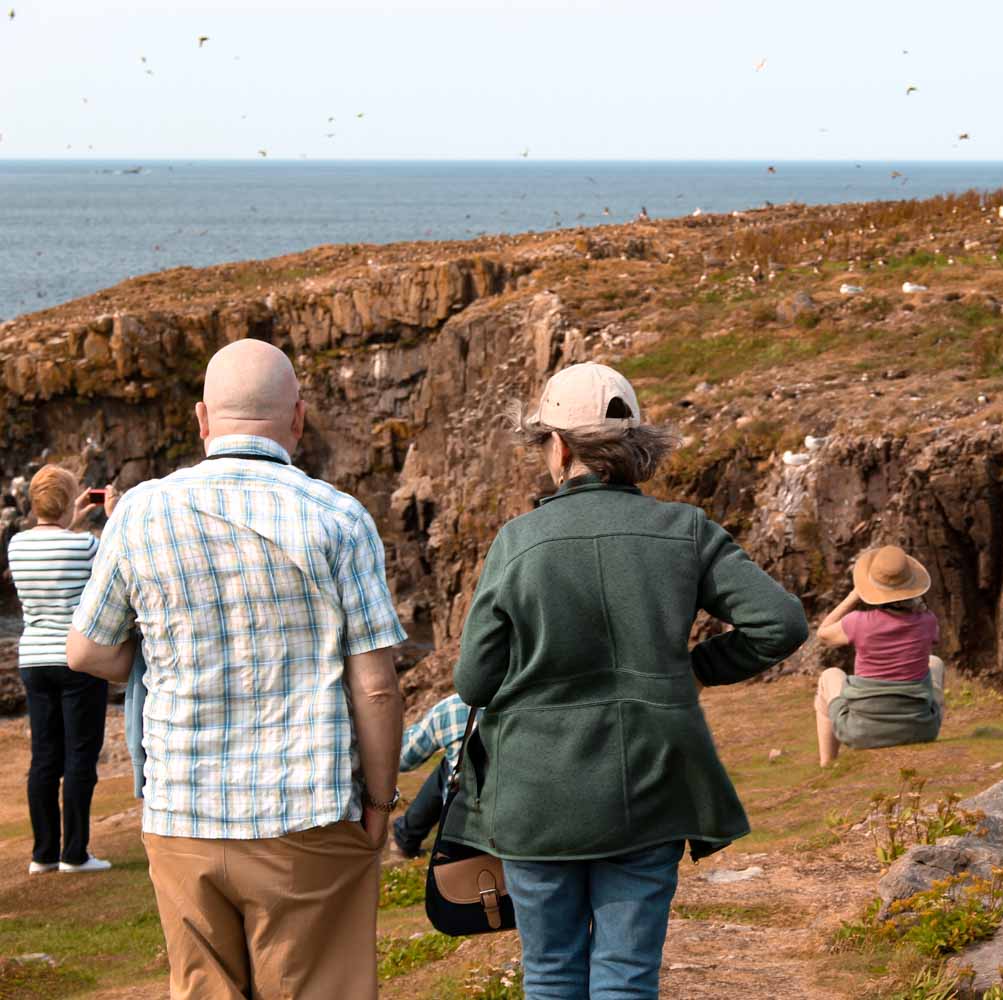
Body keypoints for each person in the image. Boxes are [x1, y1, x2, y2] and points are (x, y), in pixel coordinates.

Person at [451, 362, 808, 1000]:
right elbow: (780, 624)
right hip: (653, 780)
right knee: (627, 973)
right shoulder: (688, 531)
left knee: (553, 970)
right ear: (634, 445)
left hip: (537, 792)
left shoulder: (517, 542)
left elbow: (475, 681)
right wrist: (694, 669)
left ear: (558, 447)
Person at [67, 339, 408, 1000]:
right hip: (308, 811)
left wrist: (157, 649)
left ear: (202, 420)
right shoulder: (339, 519)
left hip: (183, 809)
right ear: (298, 420)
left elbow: (87, 652)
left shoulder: (140, 512)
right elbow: (376, 684)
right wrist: (379, 799)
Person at [9, 465, 117, 874]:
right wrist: (108, 514)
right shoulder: (85, 547)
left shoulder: (16, 545)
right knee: (79, 756)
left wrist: (72, 508)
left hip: (34, 660)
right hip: (76, 658)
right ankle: (75, 853)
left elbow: (52, 527)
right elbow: (111, 566)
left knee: (44, 758)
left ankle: (43, 854)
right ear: (67, 501)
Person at [812, 544, 944, 767]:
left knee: (830, 675)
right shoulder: (928, 621)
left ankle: (828, 764)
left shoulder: (858, 622)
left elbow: (823, 633)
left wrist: (854, 596)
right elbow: (935, 638)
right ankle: (925, 718)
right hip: (922, 730)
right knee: (935, 663)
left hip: (861, 732)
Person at [389, 692, 477, 860]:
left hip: (463, 834)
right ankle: (406, 837)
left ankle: (405, 838)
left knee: (452, 767)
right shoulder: (536, 700)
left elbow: (403, 758)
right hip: (524, 831)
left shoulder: (453, 707)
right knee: (450, 766)